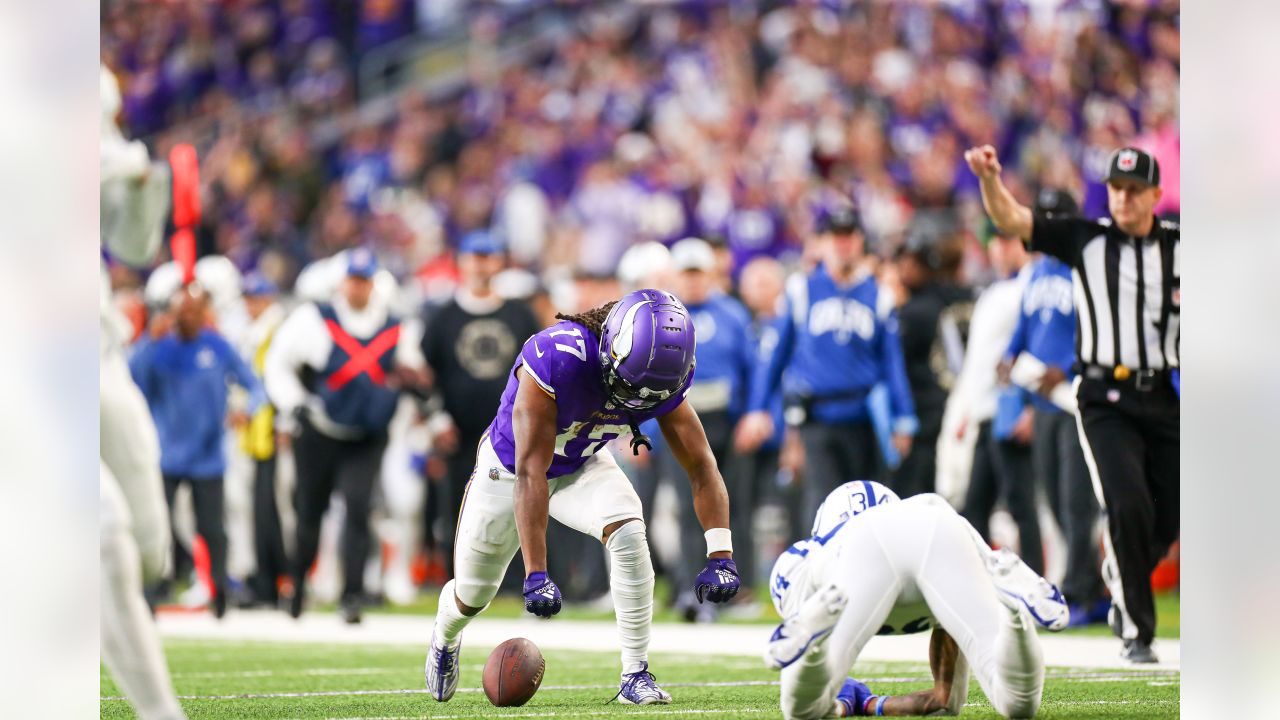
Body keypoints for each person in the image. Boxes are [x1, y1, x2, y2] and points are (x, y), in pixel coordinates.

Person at [423, 289, 742, 705]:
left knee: (629, 530)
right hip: (511, 470)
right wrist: (536, 573)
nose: (639, 400)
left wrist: (721, 554)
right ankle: (444, 638)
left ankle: (635, 673)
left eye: (652, 392)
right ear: (611, 349)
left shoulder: (660, 374)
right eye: (633, 386)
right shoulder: (556, 357)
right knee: (472, 594)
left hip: (581, 462)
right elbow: (530, 471)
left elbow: (701, 465)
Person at [966, 144, 1179, 663]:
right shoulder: (1087, 239)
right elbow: (1011, 219)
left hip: (1164, 394)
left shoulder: (1180, 245)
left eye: (1134, 190)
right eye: (1116, 189)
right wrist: (992, 180)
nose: (1124, 199)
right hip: (1105, 396)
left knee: (1172, 515)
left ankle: (1119, 570)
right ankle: (1136, 630)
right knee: (1126, 503)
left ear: (1155, 194)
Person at [765, 482, 1068, 720]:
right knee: (1017, 703)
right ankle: (1014, 607)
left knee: (801, 710)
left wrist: (851, 705)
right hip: (936, 518)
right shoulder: (913, 517)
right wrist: (874, 705)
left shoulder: (815, 554)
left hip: (853, 550)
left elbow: (810, 700)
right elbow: (946, 700)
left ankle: (816, 628)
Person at [264, 248, 426, 623]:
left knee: (358, 506)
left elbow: (413, 370)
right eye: (353, 280)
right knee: (310, 512)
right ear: (341, 283)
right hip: (320, 431)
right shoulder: (314, 319)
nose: (359, 288)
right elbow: (279, 362)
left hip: (367, 433)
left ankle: (351, 595)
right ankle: (298, 587)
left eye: (365, 281)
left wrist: (414, 385)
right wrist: (293, 402)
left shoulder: (395, 325)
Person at [99, 63, 188, 720]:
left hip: (94, 356)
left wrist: (143, 189)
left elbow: (133, 242)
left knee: (151, 542)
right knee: (102, 533)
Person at [739, 208, 917, 521]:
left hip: (864, 417)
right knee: (823, 504)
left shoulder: (879, 295)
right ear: (824, 242)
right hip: (817, 416)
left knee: (868, 508)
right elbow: (775, 356)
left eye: (849, 235)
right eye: (836, 236)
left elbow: (893, 363)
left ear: (860, 240)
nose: (843, 244)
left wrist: (904, 418)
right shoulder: (801, 290)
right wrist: (757, 409)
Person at [1003, 189, 1107, 626]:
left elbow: (1101, 329)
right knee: (1051, 493)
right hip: (1043, 403)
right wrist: (1009, 358)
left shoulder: (1087, 270)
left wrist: (1065, 368)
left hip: (1075, 400)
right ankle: (1090, 585)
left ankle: (1083, 590)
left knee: (1076, 500)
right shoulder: (1037, 271)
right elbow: (1025, 328)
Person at [130, 285, 266, 619]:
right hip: (166, 454)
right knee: (156, 527)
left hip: (208, 457)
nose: (186, 317)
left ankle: (220, 595)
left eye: (193, 310)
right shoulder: (158, 348)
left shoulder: (218, 347)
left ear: (204, 313)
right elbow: (129, 381)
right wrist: (147, 341)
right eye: (181, 310)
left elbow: (256, 386)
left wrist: (246, 409)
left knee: (213, 530)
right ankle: (150, 592)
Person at [419, 230, 540, 576]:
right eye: (475, 257)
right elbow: (422, 375)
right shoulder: (442, 317)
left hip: (512, 431)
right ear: (461, 262)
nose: (481, 265)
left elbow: (541, 370)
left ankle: (519, 579)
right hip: (458, 431)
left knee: (517, 503)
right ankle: (457, 579)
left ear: (499, 262)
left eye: (487, 257)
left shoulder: (519, 315)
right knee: (459, 505)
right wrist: (434, 419)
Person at [661, 238, 755, 619]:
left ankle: (735, 589)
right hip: (677, 420)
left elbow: (753, 370)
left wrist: (752, 414)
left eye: (699, 273)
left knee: (732, 506)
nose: (694, 281)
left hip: (726, 422)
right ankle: (689, 588)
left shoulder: (733, 314)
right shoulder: (661, 315)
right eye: (687, 273)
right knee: (686, 508)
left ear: (711, 275)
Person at [942, 224, 1043, 576]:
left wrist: (1029, 407)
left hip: (1009, 411)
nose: (997, 249)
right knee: (974, 506)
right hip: (984, 413)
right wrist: (965, 411)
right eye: (995, 242)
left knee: (1020, 502)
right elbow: (977, 363)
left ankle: (1036, 583)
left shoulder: (1030, 287)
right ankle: (977, 583)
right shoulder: (995, 292)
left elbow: (1034, 351)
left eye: (1005, 241)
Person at [891, 222, 972, 498]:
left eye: (912, 262)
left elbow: (895, 365)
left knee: (917, 495)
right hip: (958, 407)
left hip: (925, 414)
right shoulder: (967, 298)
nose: (904, 268)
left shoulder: (915, 312)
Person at [235, 272, 290, 608]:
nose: (250, 305)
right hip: (258, 434)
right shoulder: (257, 332)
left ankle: (280, 582)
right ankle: (265, 582)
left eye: (256, 298)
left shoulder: (278, 331)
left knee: (277, 511)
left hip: (274, 431)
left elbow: (280, 379)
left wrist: (282, 421)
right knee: (261, 510)